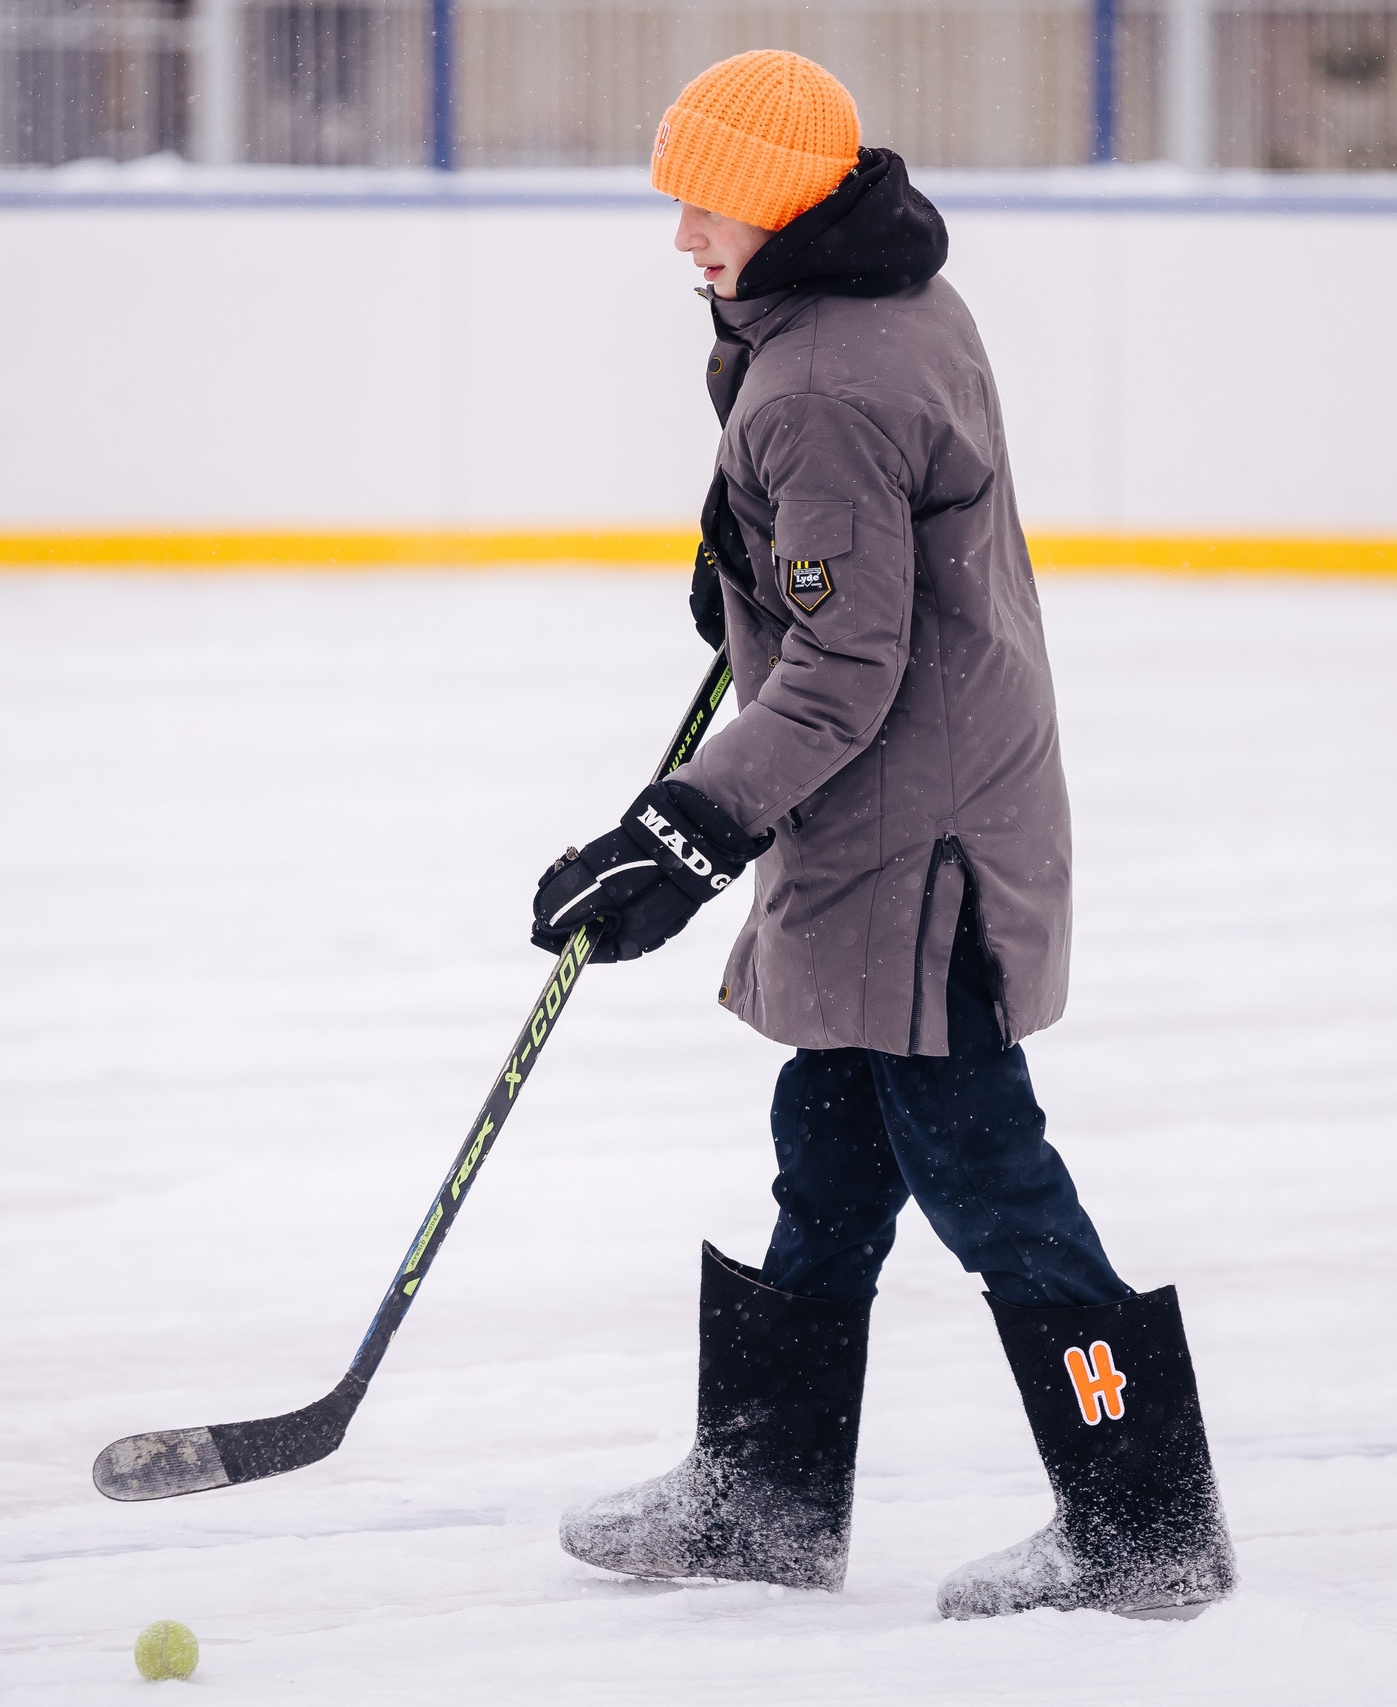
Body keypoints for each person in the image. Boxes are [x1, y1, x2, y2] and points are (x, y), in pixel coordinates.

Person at [528, 49, 1237, 1621]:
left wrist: (683, 830)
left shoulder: (827, 378)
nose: (681, 238)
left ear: (781, 199)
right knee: (829, 1156)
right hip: (904, 821)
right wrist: (749, 585)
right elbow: (859, 586)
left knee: (998, 1192)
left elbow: (850, 668)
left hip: (922, 855)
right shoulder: (869, 309)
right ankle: (765, 1495)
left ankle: (1142, 1521)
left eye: (702, 203)